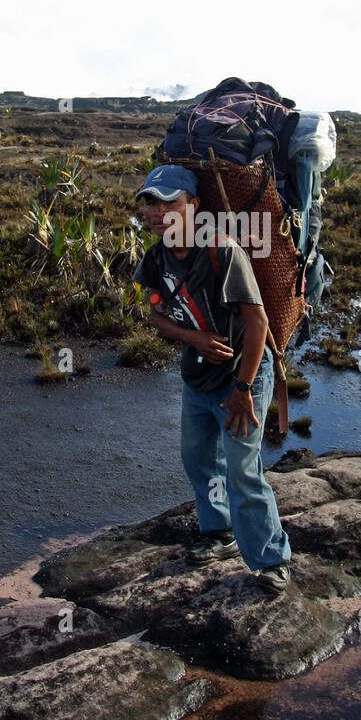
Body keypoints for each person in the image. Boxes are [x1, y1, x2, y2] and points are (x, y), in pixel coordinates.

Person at [132, 164, 291, 594]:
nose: (158, 211)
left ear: (193, 206)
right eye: (151, 202)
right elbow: (155, 313)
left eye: (170, 202)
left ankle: (272, 558)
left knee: (243, 469)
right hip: (197, 379)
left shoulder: (222, 251)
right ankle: (218, 533)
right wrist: (193, 338)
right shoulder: (155, 259)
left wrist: (243, 391)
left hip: (242, 377)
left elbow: (256, 324)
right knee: (198, 459)